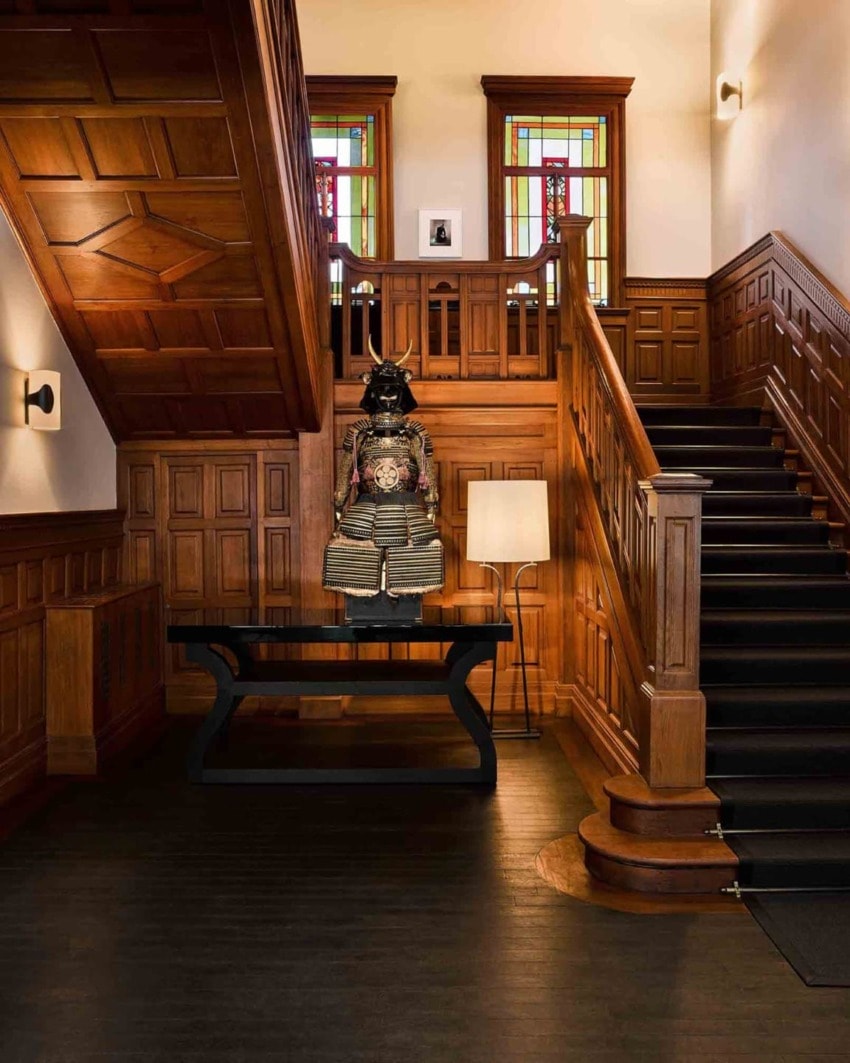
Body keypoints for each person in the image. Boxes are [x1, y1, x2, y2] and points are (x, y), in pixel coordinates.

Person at [322, 339, 445, 602]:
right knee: (354, 558)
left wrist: (432, 502)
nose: (388, 397)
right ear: (372, 393)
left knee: (413, 564)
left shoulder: (415, 434)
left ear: (403, 393)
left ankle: (403, 604)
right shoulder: (358, 433)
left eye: (393, 391)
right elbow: (346, 472)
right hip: (366, 507)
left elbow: (427, 471)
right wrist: (339, 501)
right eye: (382, 391)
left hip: (408, 510)